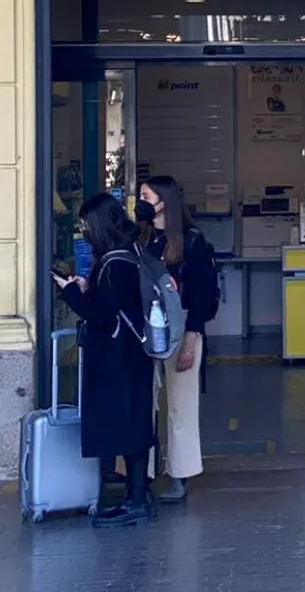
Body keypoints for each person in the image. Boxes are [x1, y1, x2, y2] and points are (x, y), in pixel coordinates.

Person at [51, 193, 155, 528]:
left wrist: (69, 291)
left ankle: (136, 500)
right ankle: (138, 496)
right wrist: (86, 286)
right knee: (135, 424)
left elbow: (100, 314)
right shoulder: (130, 254)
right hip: (133, 355)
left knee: (125, 427)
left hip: (117, 359)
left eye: (86, 225)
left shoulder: (113, 263)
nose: (84, 232)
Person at [136, 175, 217, 504]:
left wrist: (190, 340)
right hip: (148, 330)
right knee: (147, 403)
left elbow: (203, 296)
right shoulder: (145, 239)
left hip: (183, 330)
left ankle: (180, 475)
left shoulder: (192, 242)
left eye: (144, 195)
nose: (138, 201)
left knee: (181, 407)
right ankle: (144, 472)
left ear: (163, 201)